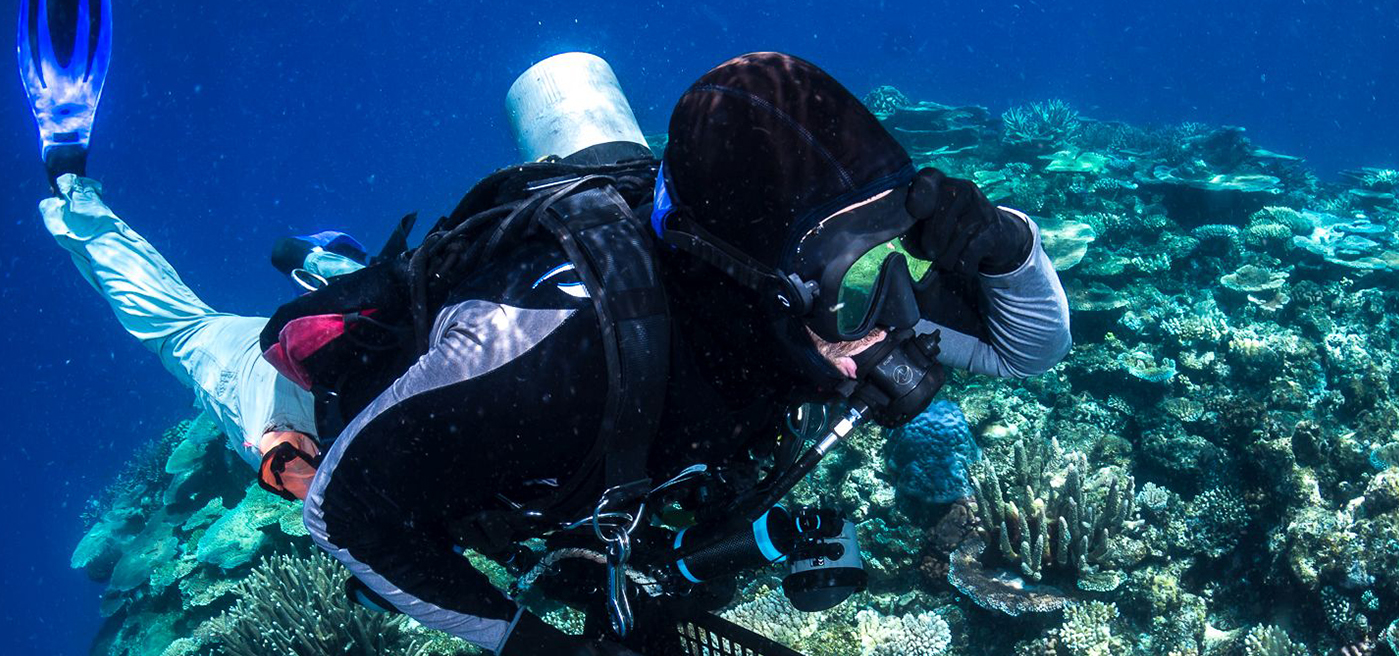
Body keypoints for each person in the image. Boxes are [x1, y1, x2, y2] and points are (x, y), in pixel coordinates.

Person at [295, 51, 1071, 654]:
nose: (882, 328)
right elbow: (342, 510)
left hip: (667, 245)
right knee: (217, 348)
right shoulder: (545, 356)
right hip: (481, 355)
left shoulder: (802, 300)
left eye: (885, 249)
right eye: (844, 276)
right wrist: (525, 643)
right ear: (747, 281)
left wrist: (1004, 247)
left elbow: (1026, 352)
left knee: (585, 104)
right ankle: (314, 274)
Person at [25, 0, 333, 499]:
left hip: (314, 355)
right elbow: (289, 458)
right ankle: (73, 190)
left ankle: (316, 261)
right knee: (180, 333)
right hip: (280, 374)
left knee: (184, 332)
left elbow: (293, 461)